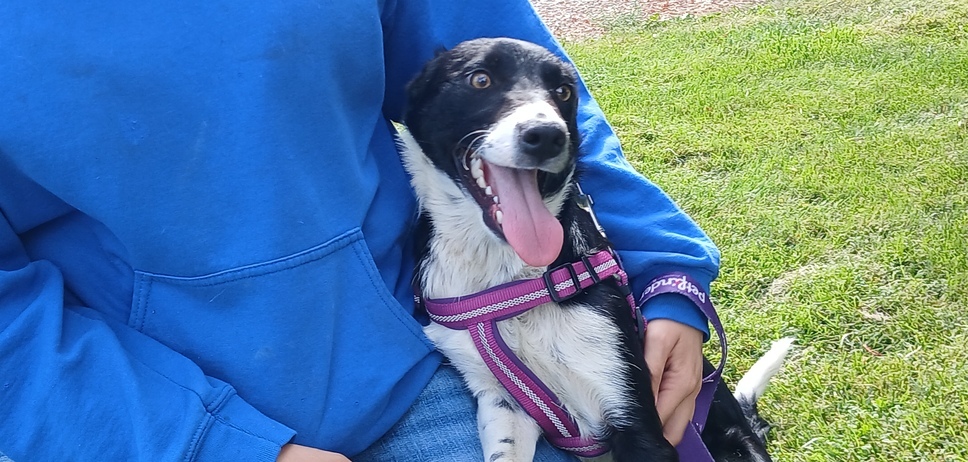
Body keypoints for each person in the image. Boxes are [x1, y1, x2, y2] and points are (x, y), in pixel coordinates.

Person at [0, 1, 720, 460]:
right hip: (132, 420)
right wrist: (208, 446)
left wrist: (664, 268)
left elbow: (523, 93)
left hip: (413, 369)